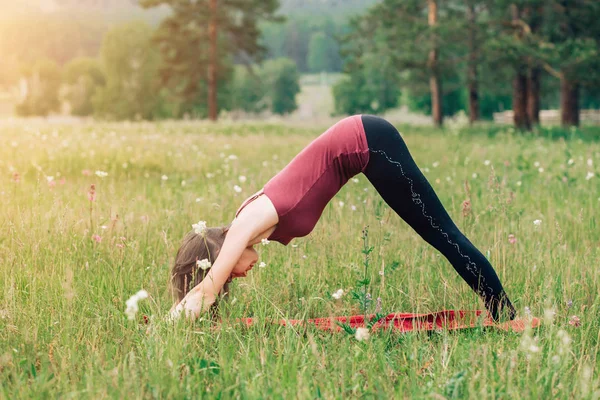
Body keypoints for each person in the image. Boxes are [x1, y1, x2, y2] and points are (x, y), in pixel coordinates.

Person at [169, 115, 516, 322]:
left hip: (369, 141)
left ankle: (506, 315)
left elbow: (207, 291)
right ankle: (502, 311)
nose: (237, 276)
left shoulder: (244, 226)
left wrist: (163, 329)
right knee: (440, 234)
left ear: (219, 260)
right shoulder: (248, 224)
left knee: (442, 233)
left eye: (228, 272)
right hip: (364, 145)